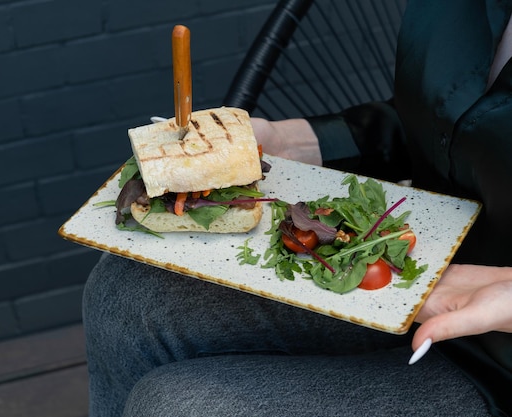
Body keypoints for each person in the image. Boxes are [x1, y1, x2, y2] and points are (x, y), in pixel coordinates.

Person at [82, 0, 512, 415]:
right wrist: (293, 142)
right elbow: (460, 123)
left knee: (177, 407)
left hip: (499, 366)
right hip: (418, 271)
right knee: (124, 294)